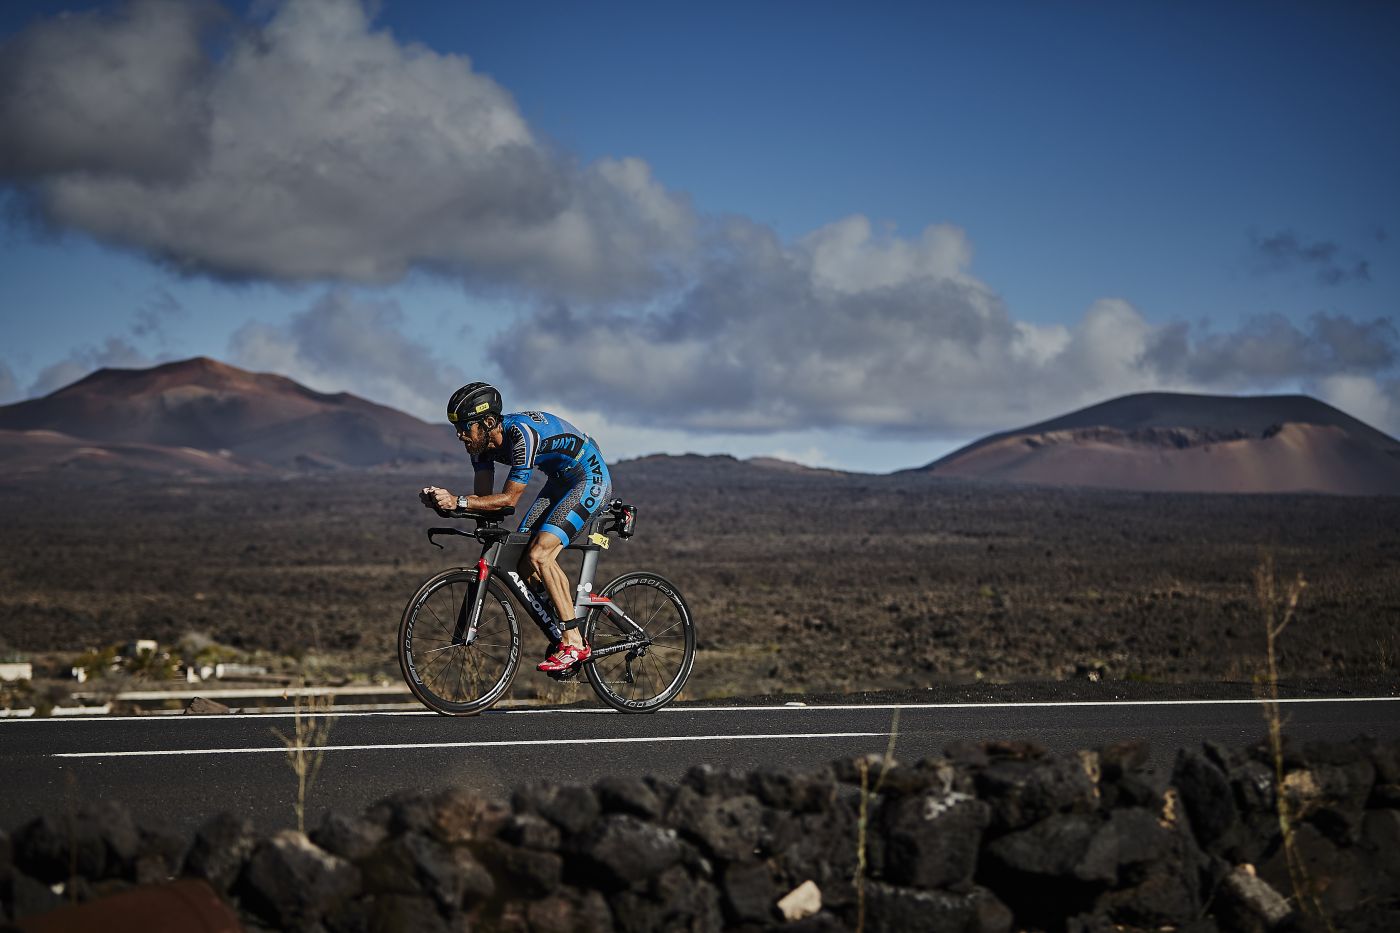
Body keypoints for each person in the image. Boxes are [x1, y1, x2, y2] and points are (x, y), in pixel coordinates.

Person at [420, 382, 611, 673]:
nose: (459, 435)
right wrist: (444, 506)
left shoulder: (521, 435)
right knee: (522, 562)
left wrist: (457, 502)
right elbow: (486, 503)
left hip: (589, 477)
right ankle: (566, 618)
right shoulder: (480, 447)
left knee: (540, 555)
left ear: (487, 423)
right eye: (456, 428)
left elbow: (508, 499)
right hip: (560, 481)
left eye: (464, 427)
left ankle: (574, 641)